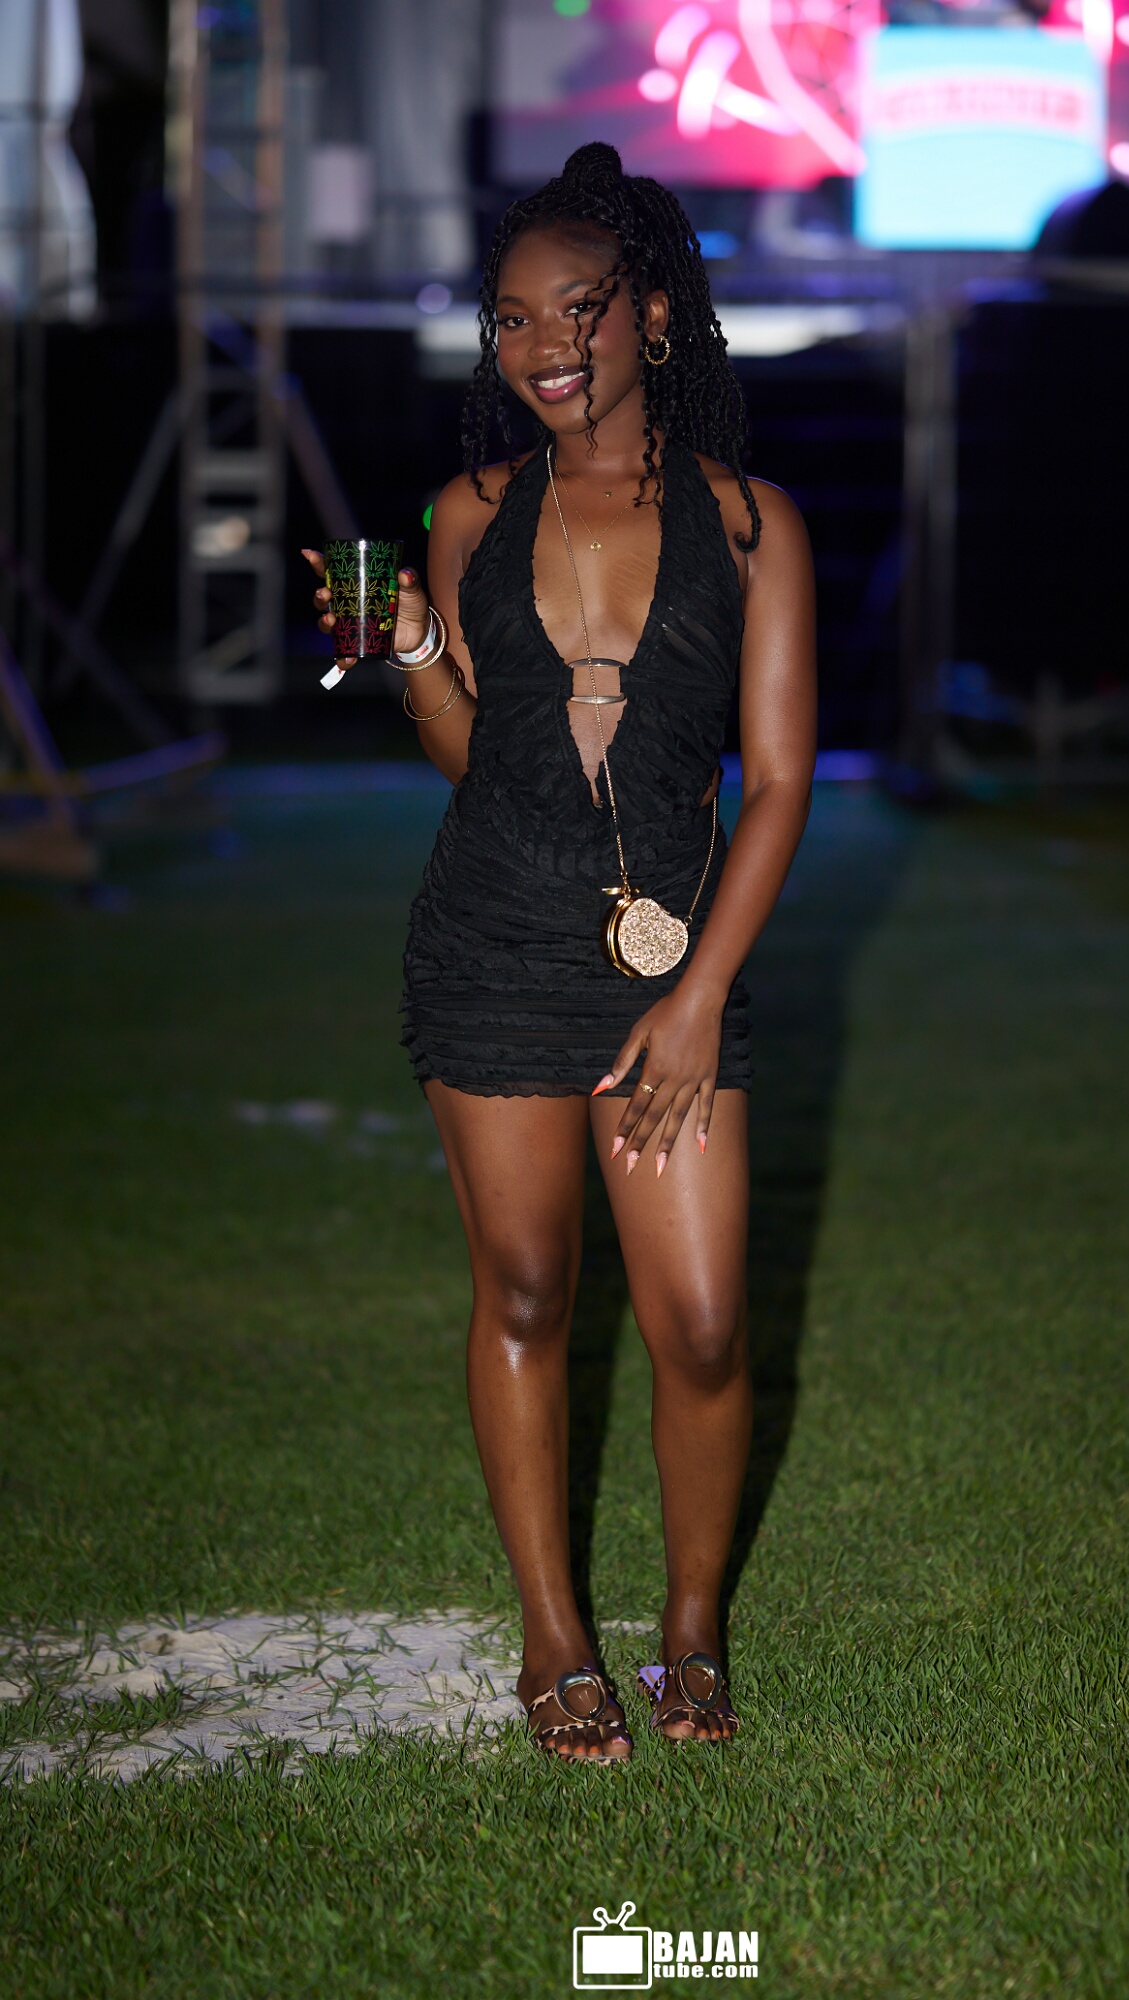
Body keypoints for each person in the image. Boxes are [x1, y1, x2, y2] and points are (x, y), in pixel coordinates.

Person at [303, 142, 815, 1762]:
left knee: (703, 1320)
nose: (543, 346)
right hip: (492, 940)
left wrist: (699, 994)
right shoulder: (468, 512)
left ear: (649, 315)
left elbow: (780, 781)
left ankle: (691, 1630)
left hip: (675, 967)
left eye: (576, 310)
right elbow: (478, 756)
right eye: (512, 319)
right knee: (524, 1289)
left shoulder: (749, 523)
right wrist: (410, 652)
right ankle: (553, 1638)